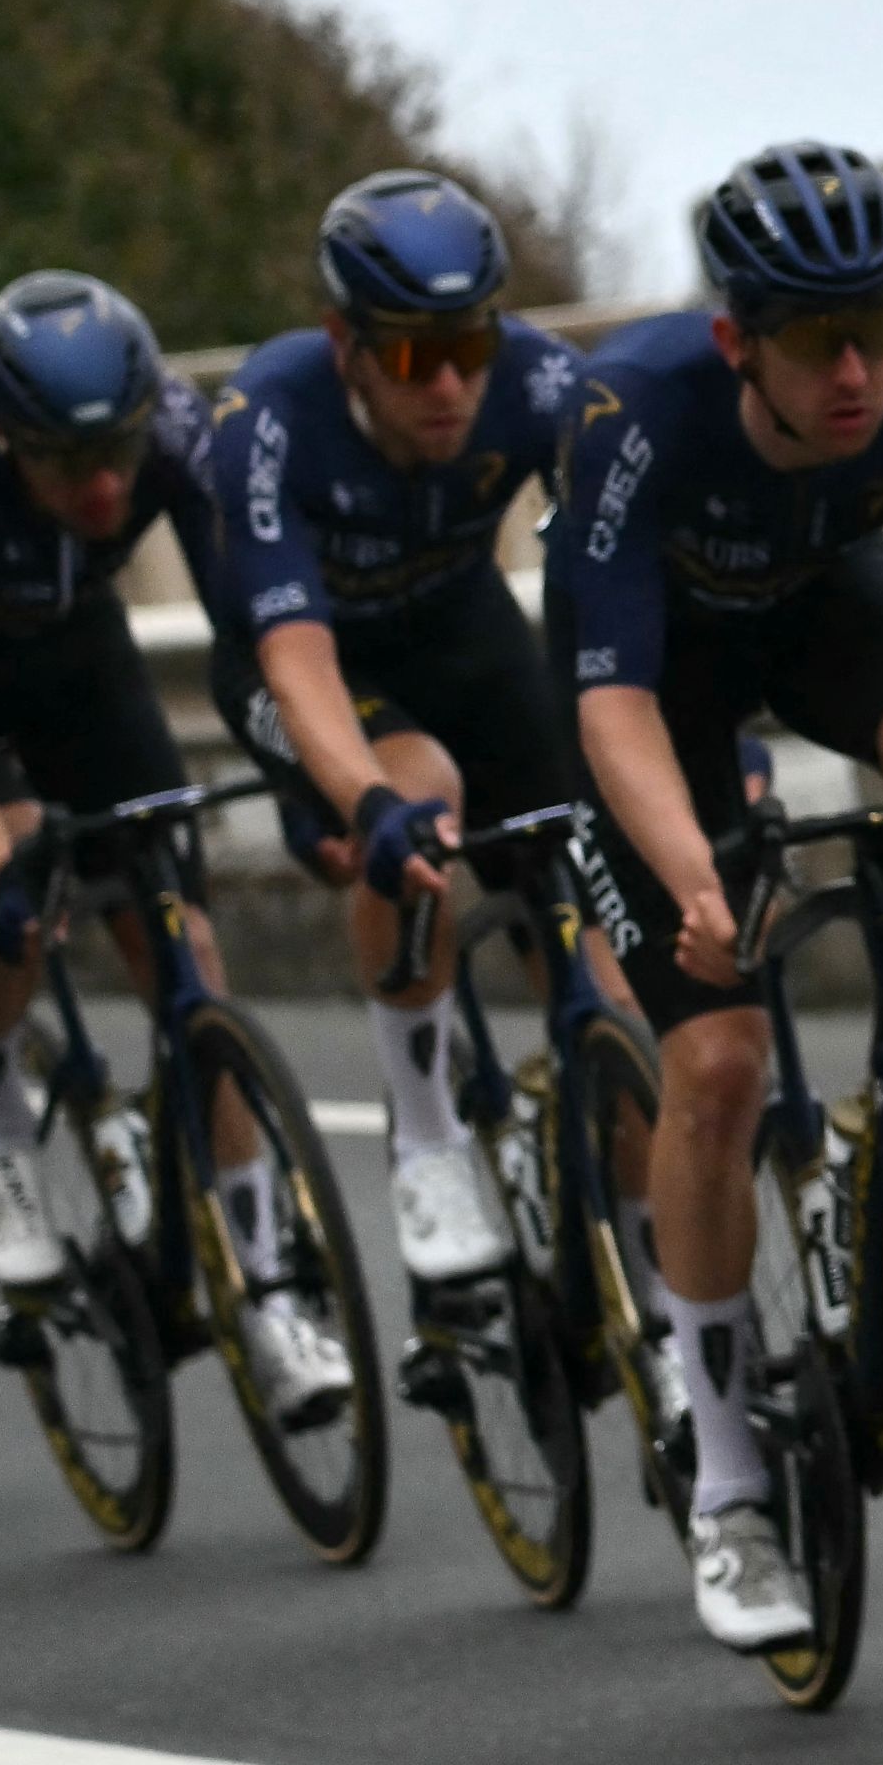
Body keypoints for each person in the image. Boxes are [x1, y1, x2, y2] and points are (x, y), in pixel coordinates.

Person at [554, 139, 883, 1654]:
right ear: (735, 340)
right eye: (816, 343)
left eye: (876, 330)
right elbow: (609, 706)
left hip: (821, 610)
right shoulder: (632, 414)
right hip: (658, 687)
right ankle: (730, 1483)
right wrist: (691, 877)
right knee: (720, 1059)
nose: (855, 373)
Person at [0, 270, 345, 1427]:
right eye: (66, 461)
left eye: (118, 453)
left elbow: (258, 632)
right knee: (12, 863)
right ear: (4, 436)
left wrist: (309, 773)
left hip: (78, 653)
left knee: (187, 958)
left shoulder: (175, 429)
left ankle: (268, 1287)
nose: (102, 483)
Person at [200, 169, 598, 1289]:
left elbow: (628, 573)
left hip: (461, 628)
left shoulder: (539, 382)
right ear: (347, 344)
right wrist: (361, 801)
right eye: (417, 358)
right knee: (417, 792)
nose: (452, 386)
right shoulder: (268, 419)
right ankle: (425, 1136)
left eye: (472, 348)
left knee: (597, 942)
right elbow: (295, 657)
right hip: (309, 660)